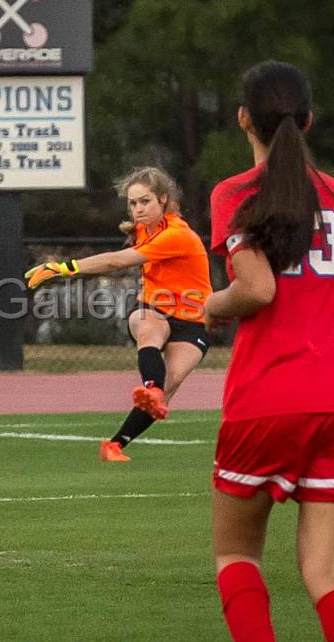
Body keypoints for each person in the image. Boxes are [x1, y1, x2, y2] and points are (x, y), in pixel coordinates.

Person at [204, 61, 334, 641]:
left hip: (263, 402)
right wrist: (324, 303)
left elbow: (257, 289)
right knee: (326, 572)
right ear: (309, 120)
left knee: (236, 557)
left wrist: (206, 306)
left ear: (243, 119)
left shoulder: (234, 194)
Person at [25, 166, 213, 462]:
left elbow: (116, 262)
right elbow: (120, 259)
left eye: (145, 201)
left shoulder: (177, 235)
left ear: (163, 199)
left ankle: (114, 445)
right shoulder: (144, 230)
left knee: (171, 382)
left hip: (192, 320)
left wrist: (63, 268)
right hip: (153, 309)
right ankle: (151, 386)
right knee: (148, 327)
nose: (137, 209)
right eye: (133, 203)